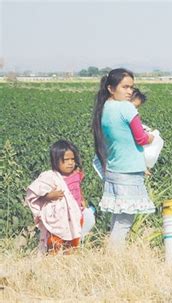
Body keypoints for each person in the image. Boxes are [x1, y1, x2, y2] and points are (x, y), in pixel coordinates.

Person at [92, 68, 155, 250]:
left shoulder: (104, 107)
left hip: (113, 169)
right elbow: (142, 138)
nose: (129, 92)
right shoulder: (126, 108)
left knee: (117, 219)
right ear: (111, 88)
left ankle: (112, 256)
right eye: (125, 87)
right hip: (128, 171)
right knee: (125, 220)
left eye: (131, 87)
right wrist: (151, 138)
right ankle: (114, 259)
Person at [25, 140, 84, 254]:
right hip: (59, 218)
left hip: (76, 215)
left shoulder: (76, 174)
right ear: (55, 161)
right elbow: (35, 193)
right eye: (66, 160)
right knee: (56, 241)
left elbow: (77, 189)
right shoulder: (50, 177)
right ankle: (53, 261)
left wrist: (82, 200)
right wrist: (49, 196)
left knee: (74, 240)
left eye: (72, 159)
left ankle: (70, 260)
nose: (70, 163)